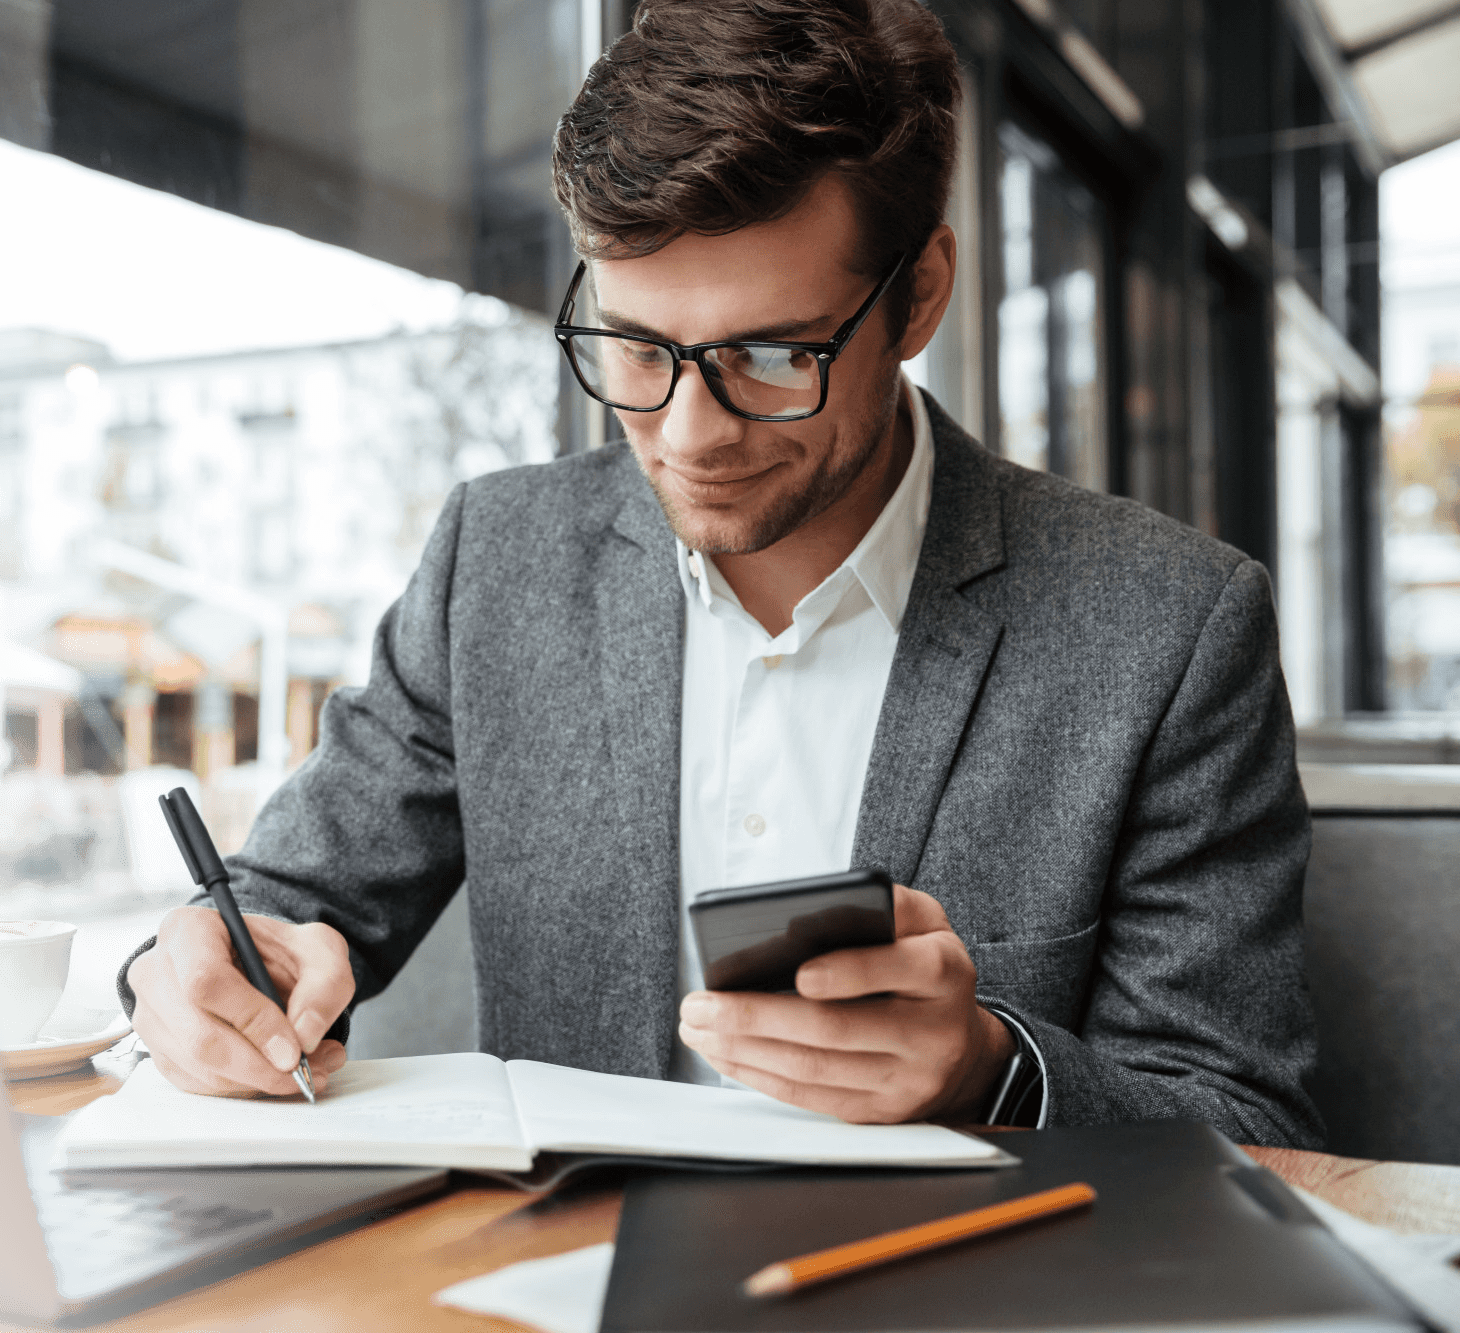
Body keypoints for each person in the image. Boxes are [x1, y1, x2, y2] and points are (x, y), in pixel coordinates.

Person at [120, 0, 1322, 1145]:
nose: (689, 434)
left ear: (919, 295)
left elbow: (1244, 1119)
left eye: (768, 352)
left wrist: (989, 1069)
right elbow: (279, 906)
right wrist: (192, 977)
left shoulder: (1165, 629)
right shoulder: (495, 563)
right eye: (636, 348)